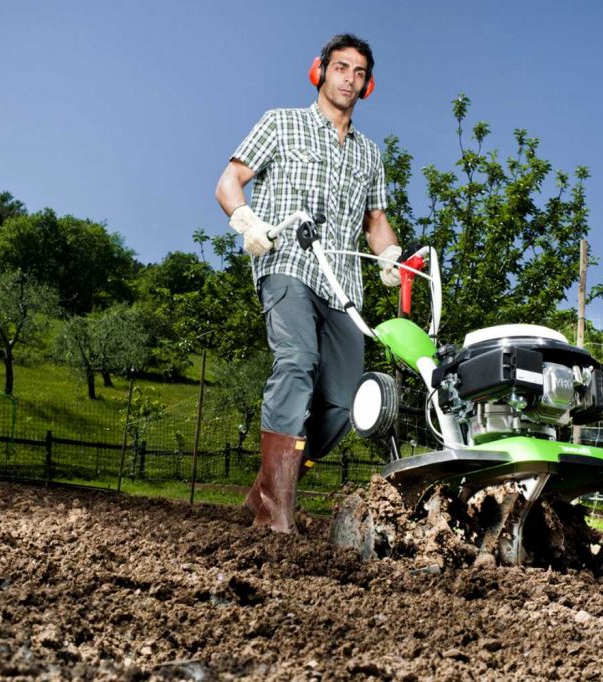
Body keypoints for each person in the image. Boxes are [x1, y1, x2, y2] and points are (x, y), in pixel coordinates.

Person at [215, 33, 401, 533]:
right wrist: (247, 222)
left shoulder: (370, 154)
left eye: (359, 73)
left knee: (344, 404)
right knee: (297, 362)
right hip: (288, 265)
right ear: (319, 71)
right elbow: (229, 182)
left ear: (368, 86)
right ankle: (276, 515)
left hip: (344, 287)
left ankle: (264, 489)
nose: (349, 79)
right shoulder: (281, 122)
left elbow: (376, 221)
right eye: (341, 67)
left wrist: (390, 255)